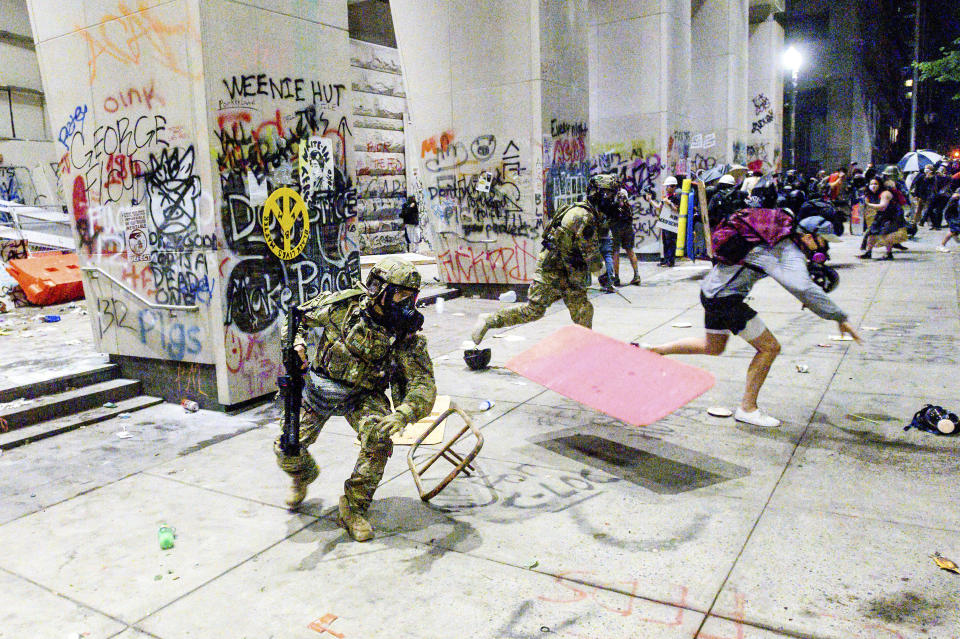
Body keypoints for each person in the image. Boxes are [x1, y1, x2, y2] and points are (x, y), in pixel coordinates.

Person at [642, 210, 861, 427]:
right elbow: (801, 285)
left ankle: (655, 351)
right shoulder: (786, 249)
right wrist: (839, 316)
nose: (825, 248)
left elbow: (793, 282)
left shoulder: (771, 240)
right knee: (769, 348)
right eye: (823, 241)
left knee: (714, 346)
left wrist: (811, 297)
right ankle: (748, 409)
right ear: (807, 236)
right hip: (725, 299)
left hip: (711, 291)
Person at [275, 256, 436, 542]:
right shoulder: (344, 306)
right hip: (319, 387)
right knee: (287, 447)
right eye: (399, 293)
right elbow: (296, 316)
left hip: (362, 395)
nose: (405, 302)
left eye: (411, 296)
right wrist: (296, 340)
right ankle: (302, 474)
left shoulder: (406, 333)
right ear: (379, 289)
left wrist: (404, 412)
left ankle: (353, 506)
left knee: (378, 439)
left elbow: (423, 385)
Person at [470, 174, 617, 344]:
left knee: (583, 310)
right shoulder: (584, 216)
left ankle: (583, 350)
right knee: (533, 311)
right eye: (608, 194)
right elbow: (591, 255)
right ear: (596, 193)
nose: (611, 199)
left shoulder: (587, 213)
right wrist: (604, 275)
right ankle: (489, 320)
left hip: (570, 272)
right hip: (552, 271)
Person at [859, 177, 906, 260]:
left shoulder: (885, 193)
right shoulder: (873, 194)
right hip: (881, 215)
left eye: (875, 184)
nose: (873, 186)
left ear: (880, 185)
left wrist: (868, 204)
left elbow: (882, 207)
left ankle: (889, 253)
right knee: (871, 233)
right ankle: (868, 252)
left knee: (886, 235)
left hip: (891, 216)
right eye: (871, 184)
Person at [610, 187, 641, 285]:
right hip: (628, 228)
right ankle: (636, 275)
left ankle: (616, 277)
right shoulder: (628, 207)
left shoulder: (613, 205)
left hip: (616, 228)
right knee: (630, 251)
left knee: (615, 252)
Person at [658, 176, 682, 267]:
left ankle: (671, 260)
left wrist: (669, 203)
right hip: (665, 221)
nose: (667, 188)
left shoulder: (676, 197)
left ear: (673, 187)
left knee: (670, 241)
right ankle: (666, 259)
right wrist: (650, 200)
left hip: (672, 222)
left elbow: (677, 209)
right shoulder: (666, 197)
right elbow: (658, 207)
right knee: (665, 241)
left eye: (668, 186)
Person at [937, 188, 960, 253]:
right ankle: (941, 245)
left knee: (955, 230)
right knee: (953, 230)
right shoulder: (956, 195)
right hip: (954, 215)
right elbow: (955, 196)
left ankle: (955, 236)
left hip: (955, 214)